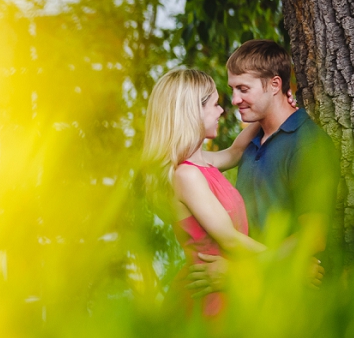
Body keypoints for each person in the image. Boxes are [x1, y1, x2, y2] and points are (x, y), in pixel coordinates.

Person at [187, 40, 338, 297]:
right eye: (233, 89)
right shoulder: (251, 140)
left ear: (275, 85)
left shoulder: (308, 144)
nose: (234, 100)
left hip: (292, 301)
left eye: (243, 89)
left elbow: (313, 237)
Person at [142, 68, 264, 317]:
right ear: (192, 111)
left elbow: (235, 152)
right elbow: (229, 239)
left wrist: (271, 111)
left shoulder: (201, 164)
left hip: (228, 284)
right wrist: (289, 261)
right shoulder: (186, 176)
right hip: (210, 296)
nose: (221, 111)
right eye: (215, 104)